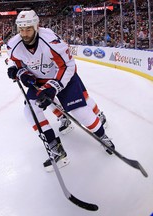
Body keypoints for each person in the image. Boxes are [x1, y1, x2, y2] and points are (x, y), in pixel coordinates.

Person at [6, 10, 115, 171]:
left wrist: (54, 87)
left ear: (36, 27)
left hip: (63, 77)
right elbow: (17, 63)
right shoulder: (14, 44)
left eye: (28, 29)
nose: (24, 33)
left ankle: (102, 136)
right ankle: (56, 148)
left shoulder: (50, 40)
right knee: (30, 111)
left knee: (81, 113)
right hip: (40, 81)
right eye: (21, 29)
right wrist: (19, 72)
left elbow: (68, 65)